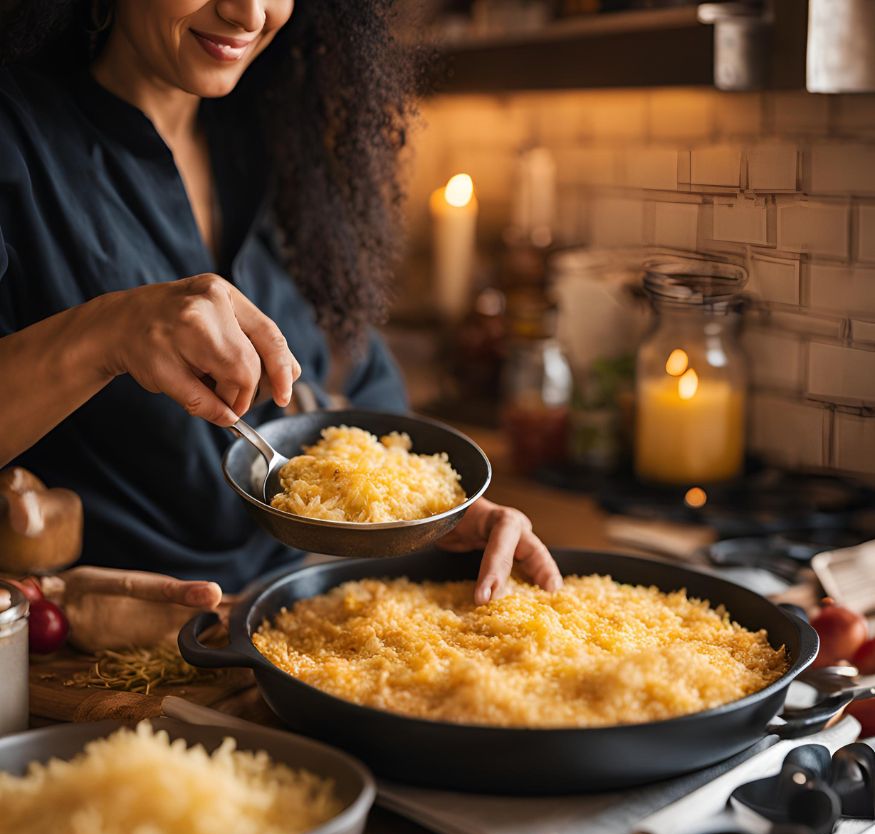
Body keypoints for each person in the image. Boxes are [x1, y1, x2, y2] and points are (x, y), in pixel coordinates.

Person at [0, 0, 562, 606]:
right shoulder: (15, 137)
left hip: (300, 622)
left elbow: (363, 403)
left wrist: (437, 516)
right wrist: (107, 332)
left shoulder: (287, 143)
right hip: (102, 657)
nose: (248, 12)